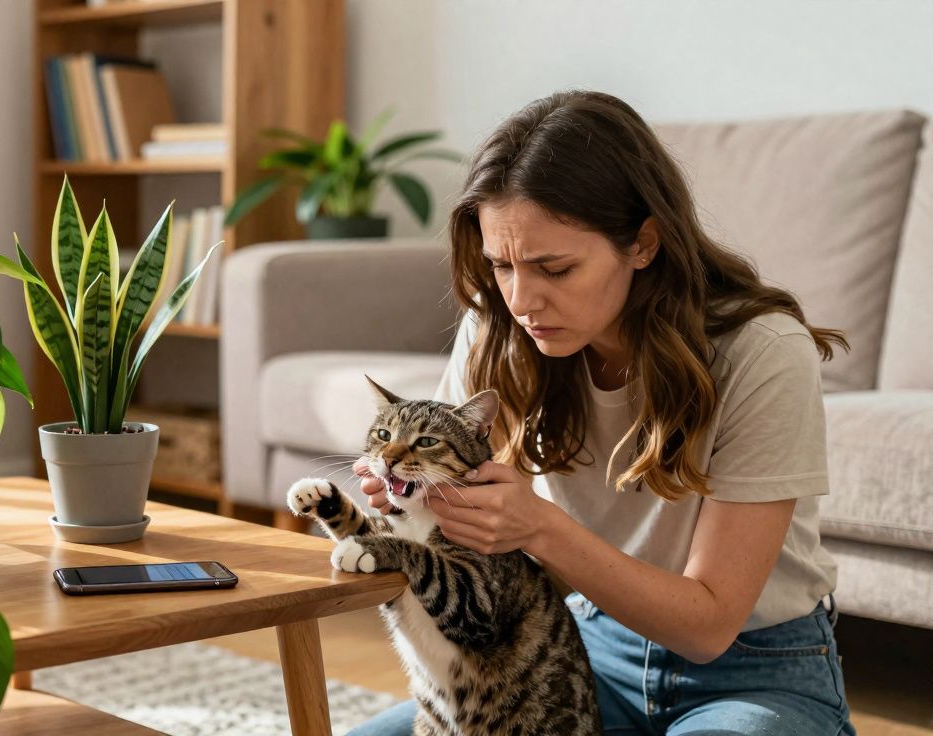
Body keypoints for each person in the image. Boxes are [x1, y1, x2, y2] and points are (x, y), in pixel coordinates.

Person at [348, 90, 857, 735]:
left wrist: (537, 526)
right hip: (576, 657)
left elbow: (707, 626)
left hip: (750, 671)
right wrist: (406, 496)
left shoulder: (762, 352)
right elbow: (458, 516)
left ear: (643, 243)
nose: (521, 299)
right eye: (501, 265)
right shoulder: (501, 330)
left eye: (554, 269)